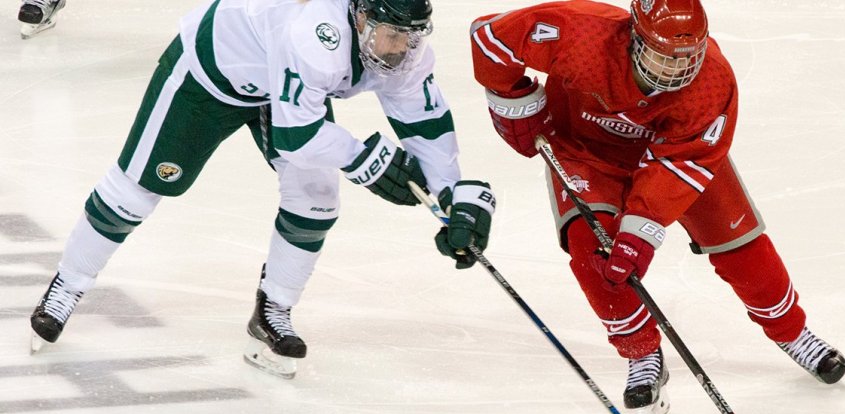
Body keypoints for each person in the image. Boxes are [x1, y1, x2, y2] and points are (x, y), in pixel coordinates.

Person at [29, 0, 496, 379]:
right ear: (359, 15)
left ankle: (272, 311)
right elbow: (299, 135)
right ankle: (67, 285)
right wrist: (366, 162)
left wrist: (453, 196)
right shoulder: (318, 36)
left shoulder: (403, 49)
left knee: (316, 201)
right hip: (209, 77)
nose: (399, 49)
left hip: (288, 91)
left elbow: (425, 121)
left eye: (411, 37)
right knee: (135, 193)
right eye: (391, 34)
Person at [469, 0, 845, 414]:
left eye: (688, 57)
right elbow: (489, 38)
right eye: (664, 56)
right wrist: (513, 98)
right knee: (592, 252)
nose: (677, 70)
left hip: (678, 158)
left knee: (739, 243)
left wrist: (639, 233)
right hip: (585, 152)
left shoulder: (712, 82)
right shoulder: (581, 34)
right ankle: (643, 353)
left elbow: (684, 163)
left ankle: (793, 332)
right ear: (634, 38)